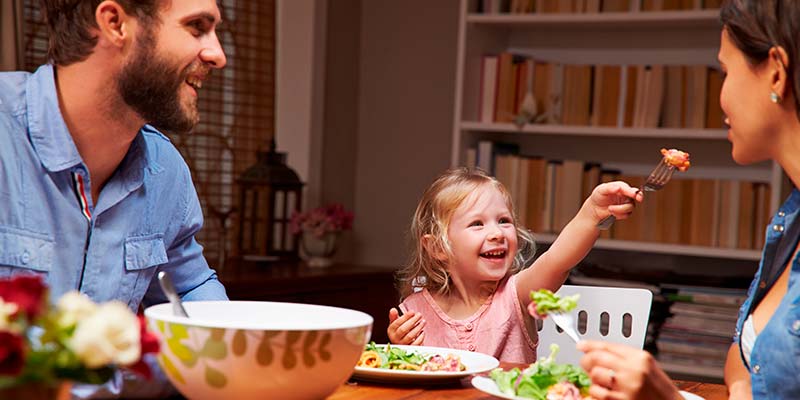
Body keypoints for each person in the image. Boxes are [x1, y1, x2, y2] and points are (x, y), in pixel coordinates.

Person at [0, 0, 228, 397]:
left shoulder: (165, 173)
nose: (217, 55)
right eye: (197, 27)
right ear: (114, 22)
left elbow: (192, 299)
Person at [580, 1, 800, 399]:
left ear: (776, 73)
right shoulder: (789, 220)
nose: (721, 97)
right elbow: (742, 363)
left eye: (726, 71)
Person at [385, 167, 642, 363]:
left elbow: (558, 260)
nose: (497, 233)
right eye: (477, 224)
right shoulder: (415, 310)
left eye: (504, 221)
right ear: (438, 248)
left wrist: (592, 213)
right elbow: (408, 377)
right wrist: (400, 349)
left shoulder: (517, 295)